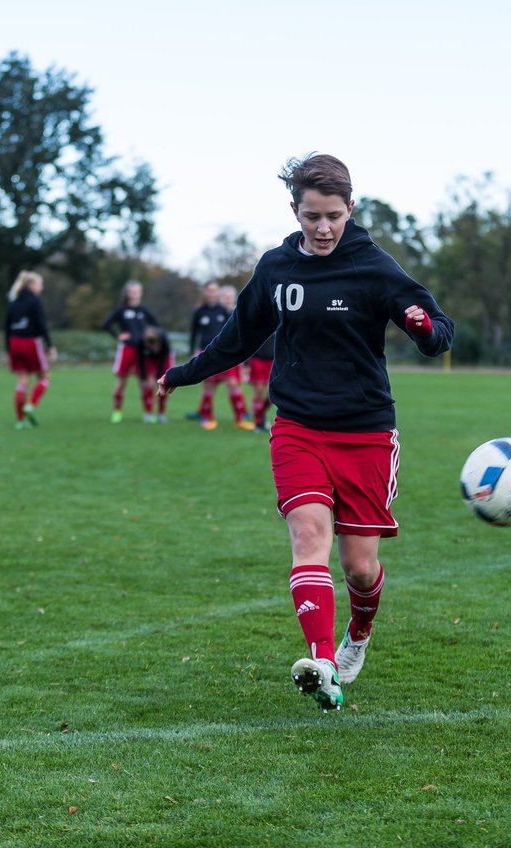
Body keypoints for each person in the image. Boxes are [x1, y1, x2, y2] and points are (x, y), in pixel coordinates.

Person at [158, 153, 452, 712]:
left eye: (334, 216)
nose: (322, 228)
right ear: (294, 209)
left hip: (366, 432)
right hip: (297, 428)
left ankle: (356, 637)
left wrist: (422, 329)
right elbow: (236, 337)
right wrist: (182, 375)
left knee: (359, 566)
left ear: (350, 210)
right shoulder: (275, 268)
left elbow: (440, 331)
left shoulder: (374, 267)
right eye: (312, 216)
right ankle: (320, 662)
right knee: (308, 536)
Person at [186, 281, 251, 430]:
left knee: (233, 384)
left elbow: (234, 331)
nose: (212, 293)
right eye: (209, 290)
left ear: (217, 293)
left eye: (215, 290)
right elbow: (194, 334)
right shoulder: (199, 311)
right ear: (205, 292)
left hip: (224, 353)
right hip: (206, 353)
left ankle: (240, 417)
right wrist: (192, 352)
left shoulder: (224, 311)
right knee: (209, 386)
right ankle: (207, 417)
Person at [101, 280, 159, 424]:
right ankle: (117, 412)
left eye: (137, 292)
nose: (134, 295)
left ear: (140, 293)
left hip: (142, 351)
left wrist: (151, 337)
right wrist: (117, 335)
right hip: (126, 349)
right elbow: (106, 324)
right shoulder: (120, 310)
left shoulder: (144, 311)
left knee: (144, 382)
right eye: (132, 292)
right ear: (127, 293)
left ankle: (148, 413)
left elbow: (157, 327)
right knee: (121, 382)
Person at [4, 270, 57, 429]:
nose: (41, 287)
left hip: (14, 343)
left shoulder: (13, 302)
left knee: (22, 381)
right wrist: (50, 345)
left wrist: (7, 350)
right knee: (44, 377)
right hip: (31, 342)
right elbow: (42, 325)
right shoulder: (34, 301)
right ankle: (31, 406)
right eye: (40, 284)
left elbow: (6, 328)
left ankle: (20, 421)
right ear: (31, 285)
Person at [137, 325, 173, 424]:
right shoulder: (141, 342)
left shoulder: (163, 341)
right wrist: (143, 377)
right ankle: (148, 413)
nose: (152, 347)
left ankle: (161, 414)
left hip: (163, 360)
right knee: (148, 385)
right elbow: (140, 361)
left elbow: (163, 361)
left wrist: (158, 376)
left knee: (163, 385)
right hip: (149, 360)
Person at [247, 331, 275, 432]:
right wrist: (246, 364)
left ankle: (260, 414)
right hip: (257, 359)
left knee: (272, 393)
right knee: (258, 390)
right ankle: (258, 422)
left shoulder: (278, 318)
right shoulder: (257, 319)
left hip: (272, 360)